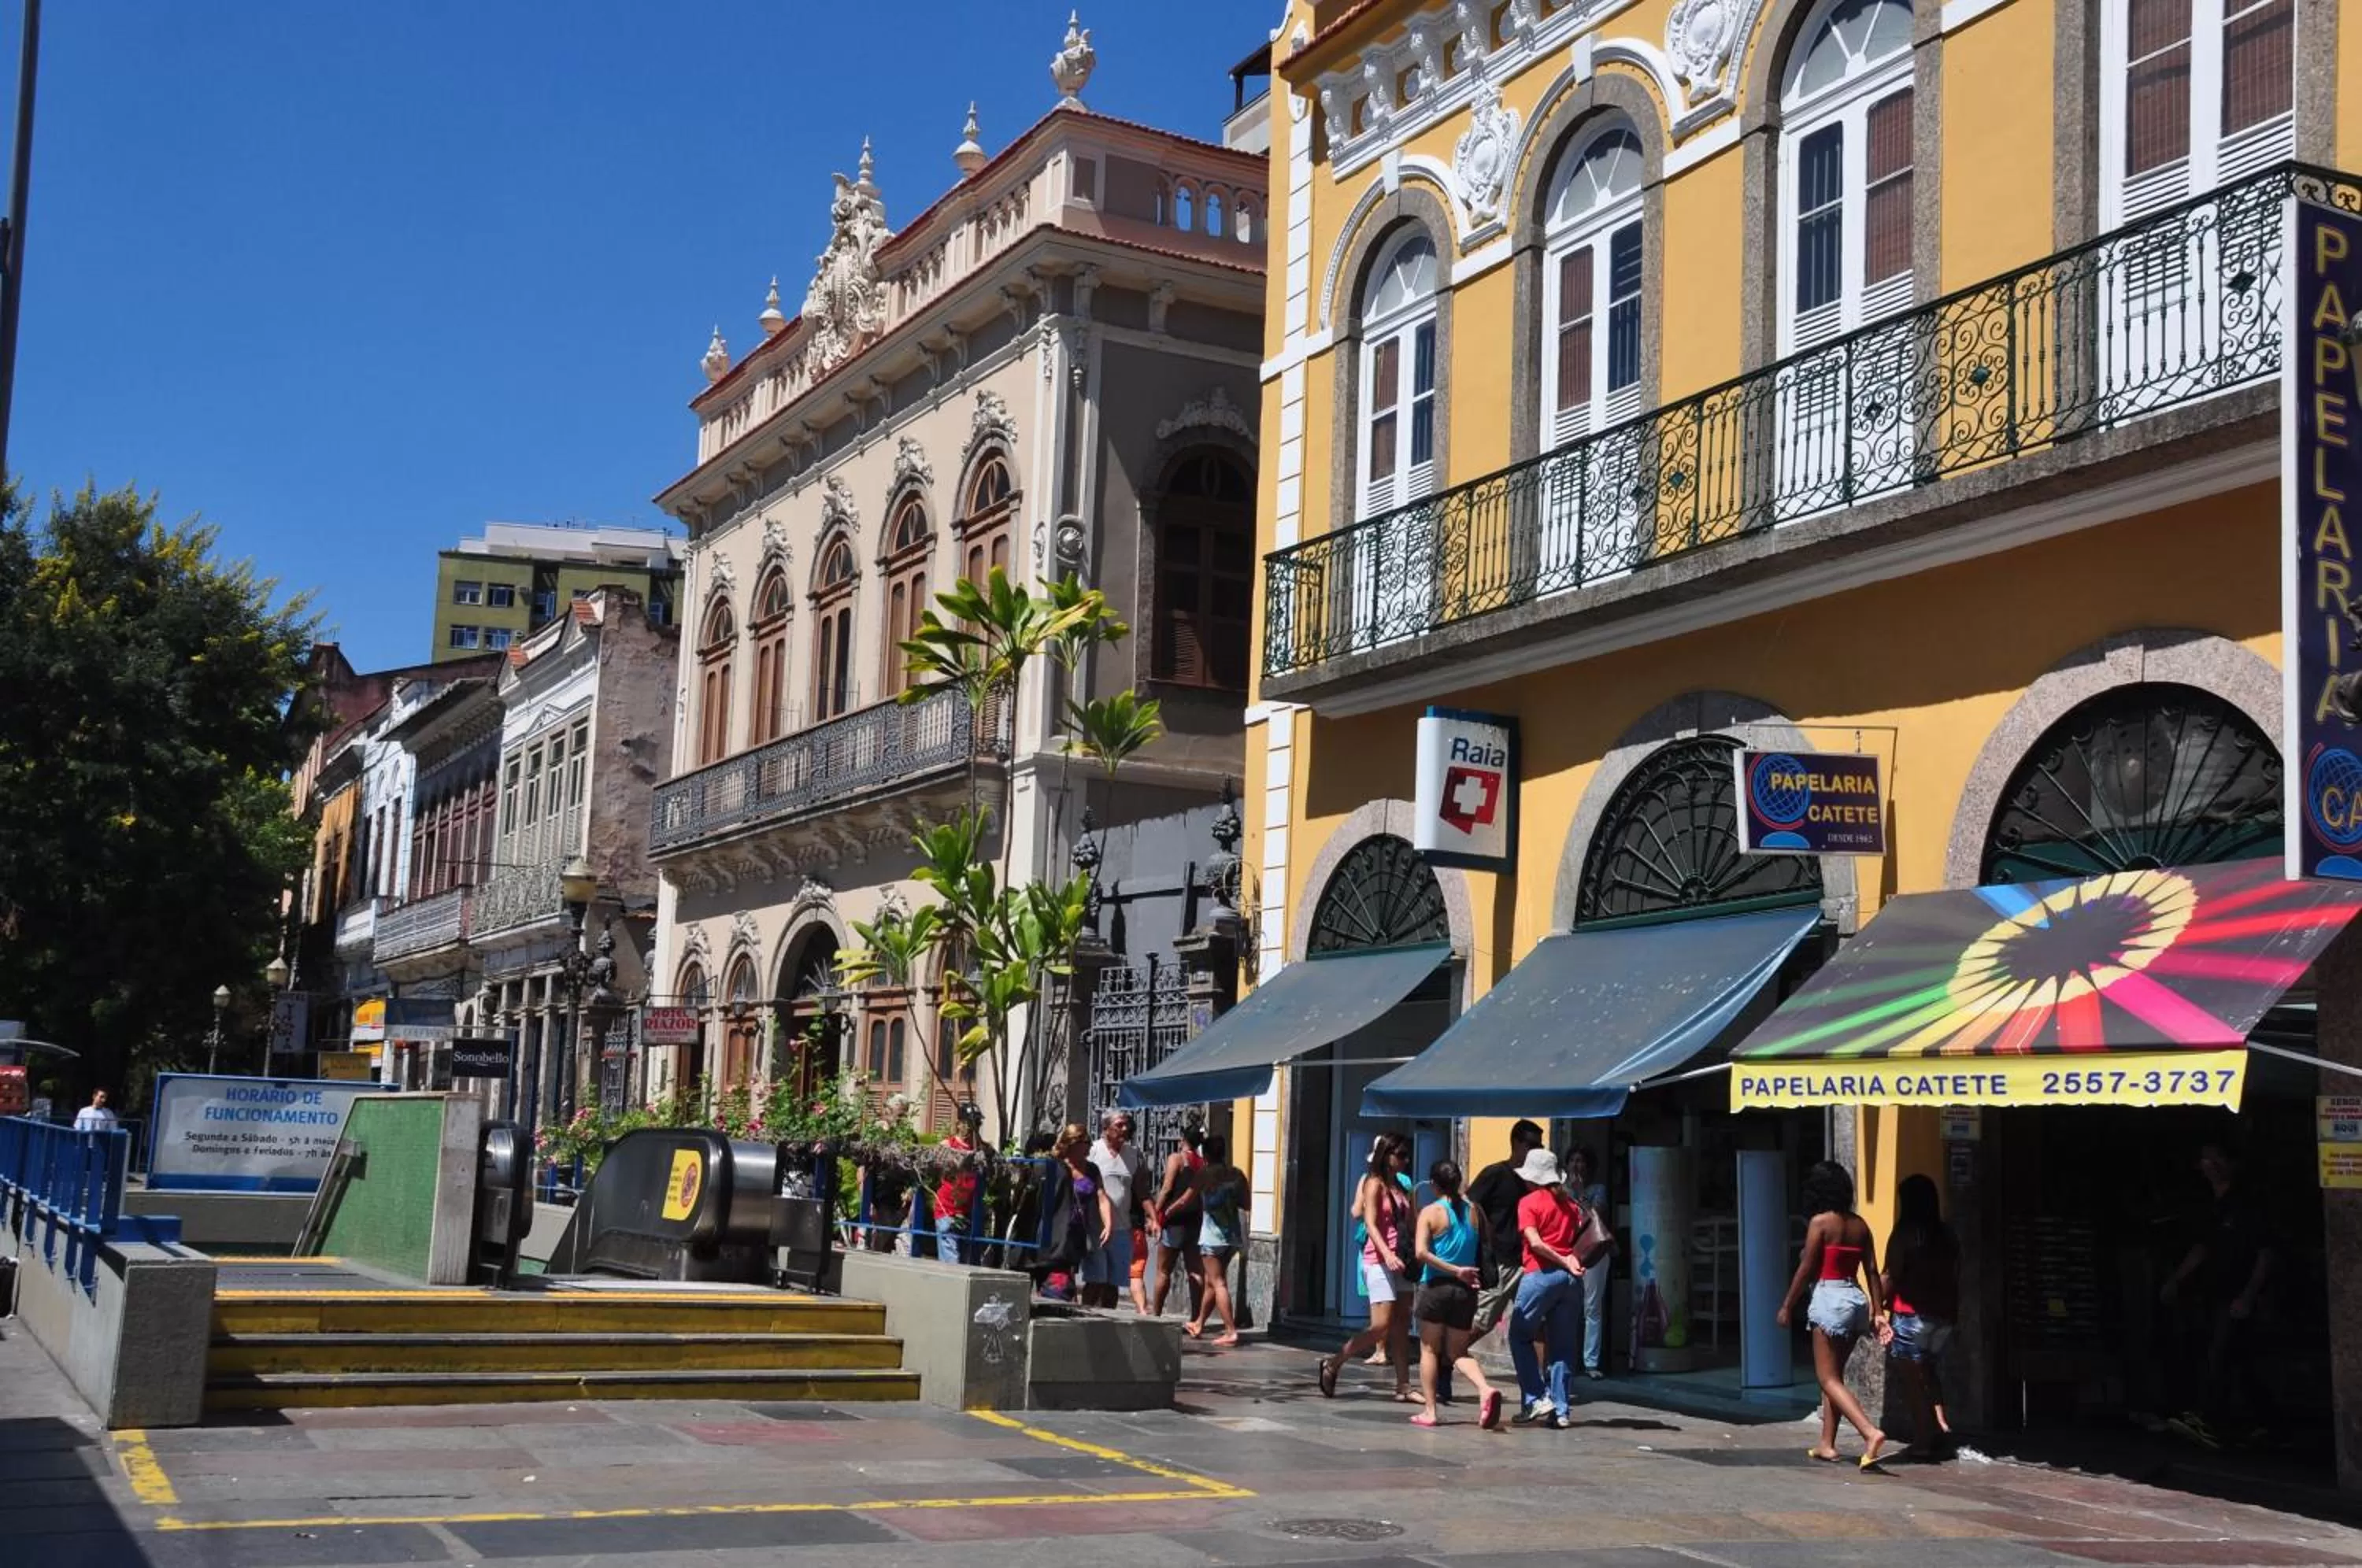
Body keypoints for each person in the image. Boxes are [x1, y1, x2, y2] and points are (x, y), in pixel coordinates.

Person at [2160, 1141, 2277, 1448]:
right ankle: (2269, 1423)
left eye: (2215, 1160)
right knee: (2237, 1359)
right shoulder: (2212, 1207)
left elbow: (2265, 1254)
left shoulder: (2247, 1206)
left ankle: (2208, 1420)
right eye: (2204, 1160)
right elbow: (2202, 1247)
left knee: (2219, 1357)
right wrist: (2176, 1280)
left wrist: (2249, 1295)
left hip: (2237, 1295)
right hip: (2214, 1293)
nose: (2208, 1166)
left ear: (2230, 1165)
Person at [1779, 1159, 1889, 1467]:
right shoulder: (1860, 1224)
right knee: (1835, 1378)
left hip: (1830, 1298)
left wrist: (1788, 1304)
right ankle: (1826, 1444)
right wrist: (1878, 1311)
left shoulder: (1820, 1223)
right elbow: (1871, 1270)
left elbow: (1806, 1267)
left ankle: (1869, 1432)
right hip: (1856, 1299)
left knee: (1826, 1378)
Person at [1316, 1132, 1416, 1402]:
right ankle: (1334, 1362)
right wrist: (1387, 1254)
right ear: (1387, 1155)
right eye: (1401, 1155)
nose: (1406, 1160)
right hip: (1379, 1260)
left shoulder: (1402, 1187)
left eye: (1408, 1155)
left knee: (1401, 1325)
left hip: (1402, 1261)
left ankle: (1404, 1385)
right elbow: (1369, 1223)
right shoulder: (1375, 1184)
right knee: (1381, 1326)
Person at [1409, 1159, 1505, 1429]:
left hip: (1437, 1288)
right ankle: (1485, 1389)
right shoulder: (1475, 1211)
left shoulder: (1430, 1212)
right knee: (1458, 1351)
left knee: (1429, 1349)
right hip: (1466, 1292)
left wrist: (1454, 1270)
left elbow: (1421, 1254)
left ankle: (1430, 1411)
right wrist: (1463, 1272)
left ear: (1433, 1184)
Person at [1879, 1173, 1959, 1455]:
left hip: (1911, 1314)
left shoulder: (1905, 1233)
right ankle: (1941, 1426)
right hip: (1944, 1314)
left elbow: (1891, 1273)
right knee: (1928, 1370)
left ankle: (1924, 1440)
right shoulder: (1946, 1233)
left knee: (1912, 1381)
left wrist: (1876, 1309)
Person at [1507, 1148, 1586, 1429]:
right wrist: (1568, 1260)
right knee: (1563, 1347)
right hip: (1571, 1280)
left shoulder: (1529, 1202)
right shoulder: (1571, 1205)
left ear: (1532, 1178)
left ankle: (1536, 1397)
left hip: (1540, 1274)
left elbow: (1536, 1242)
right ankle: (1562, 1411)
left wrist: (1561, 1259)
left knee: (1519, 1335)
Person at [1468, 1120, 1545, 1345]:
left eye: (1539, 1147)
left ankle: (1543, 1378)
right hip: (1501, 1262)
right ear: (1515, 1143)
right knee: (1482, 1322)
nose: (1534, 1151)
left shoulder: (1535, 1181)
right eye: (1530, 1145)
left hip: (1529, 1261)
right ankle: (1448, 1359)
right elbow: (1470, 1205)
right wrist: (1485, 1238)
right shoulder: (1495, 1174)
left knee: (1538, 1321)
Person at [1185, 1135, 1247, 1345]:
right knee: (1212, 1282)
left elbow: (1187, 1198)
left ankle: (1231, 1331)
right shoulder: (1237, 1174)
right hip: (1232, 1237)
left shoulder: (1205, 1173)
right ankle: (1199, 1323)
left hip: (1212, 1237)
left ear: (1207, 1155)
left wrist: (1164, 1212)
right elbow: (1246, 1204)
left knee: (1218, 1282)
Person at [1083, 1111, 1148, 1311]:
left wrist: (1153, 1217)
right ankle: (1083, 1317)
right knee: (1095, 1281)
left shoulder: (1133, 1154)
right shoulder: (1093, 1151)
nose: (1125, 1129)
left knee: (1113, 1284)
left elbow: (1141, 1191)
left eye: (1126, 1125)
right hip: (1097, 1229)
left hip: (1122, 1228)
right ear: (1106, 1129)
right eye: (1119, 1125)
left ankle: (1108, 1324)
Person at [1039, 1122, 1111, 1302]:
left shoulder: (1092, 1169)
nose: (1090, 1146)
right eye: (1086, 1141)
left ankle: (1087, 1309)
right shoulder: (1055, 1167)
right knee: (1061, 1277)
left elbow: (1102, 1197)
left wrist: (1108, 1224)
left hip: (1085, 1230)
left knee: (1098, 1277)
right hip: (1060, 1232)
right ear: (1072, 1144)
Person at [1150, 1121, 1208, 1319]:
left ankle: (1155, 1314)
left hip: (1174, 1220)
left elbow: (1167, 1189)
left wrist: (1155, 1213)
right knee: (1195, 1270)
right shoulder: (1202, 1163)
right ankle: (1196, 1318)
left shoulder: (1176, 1159)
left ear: (1182, 1139)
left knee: (1163, 1270)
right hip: (1195, 1220)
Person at [1568, 1145, 1613, 1380]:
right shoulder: (1562, 1191)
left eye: (1581, 1160)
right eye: (1573, 1160)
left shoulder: (1598, 1190)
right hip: (1567, 1254)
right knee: (1568, 1307)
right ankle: (1568, 1358)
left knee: (1592, 1308)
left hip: (1593, 1254)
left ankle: (1591, 1362)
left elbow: (1596, 1217)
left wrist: (1581, 1195)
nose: (1577, 1165)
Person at [932, 1124, 979, 1264]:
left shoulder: (977, 1149)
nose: (970, 1127)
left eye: (975, 1123)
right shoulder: (948, 1145)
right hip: (947, 1210)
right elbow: (932, 1162)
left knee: (965, 1263)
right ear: (958, 1124)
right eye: (967, 1123)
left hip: (966, 1213)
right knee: (951, 1263)